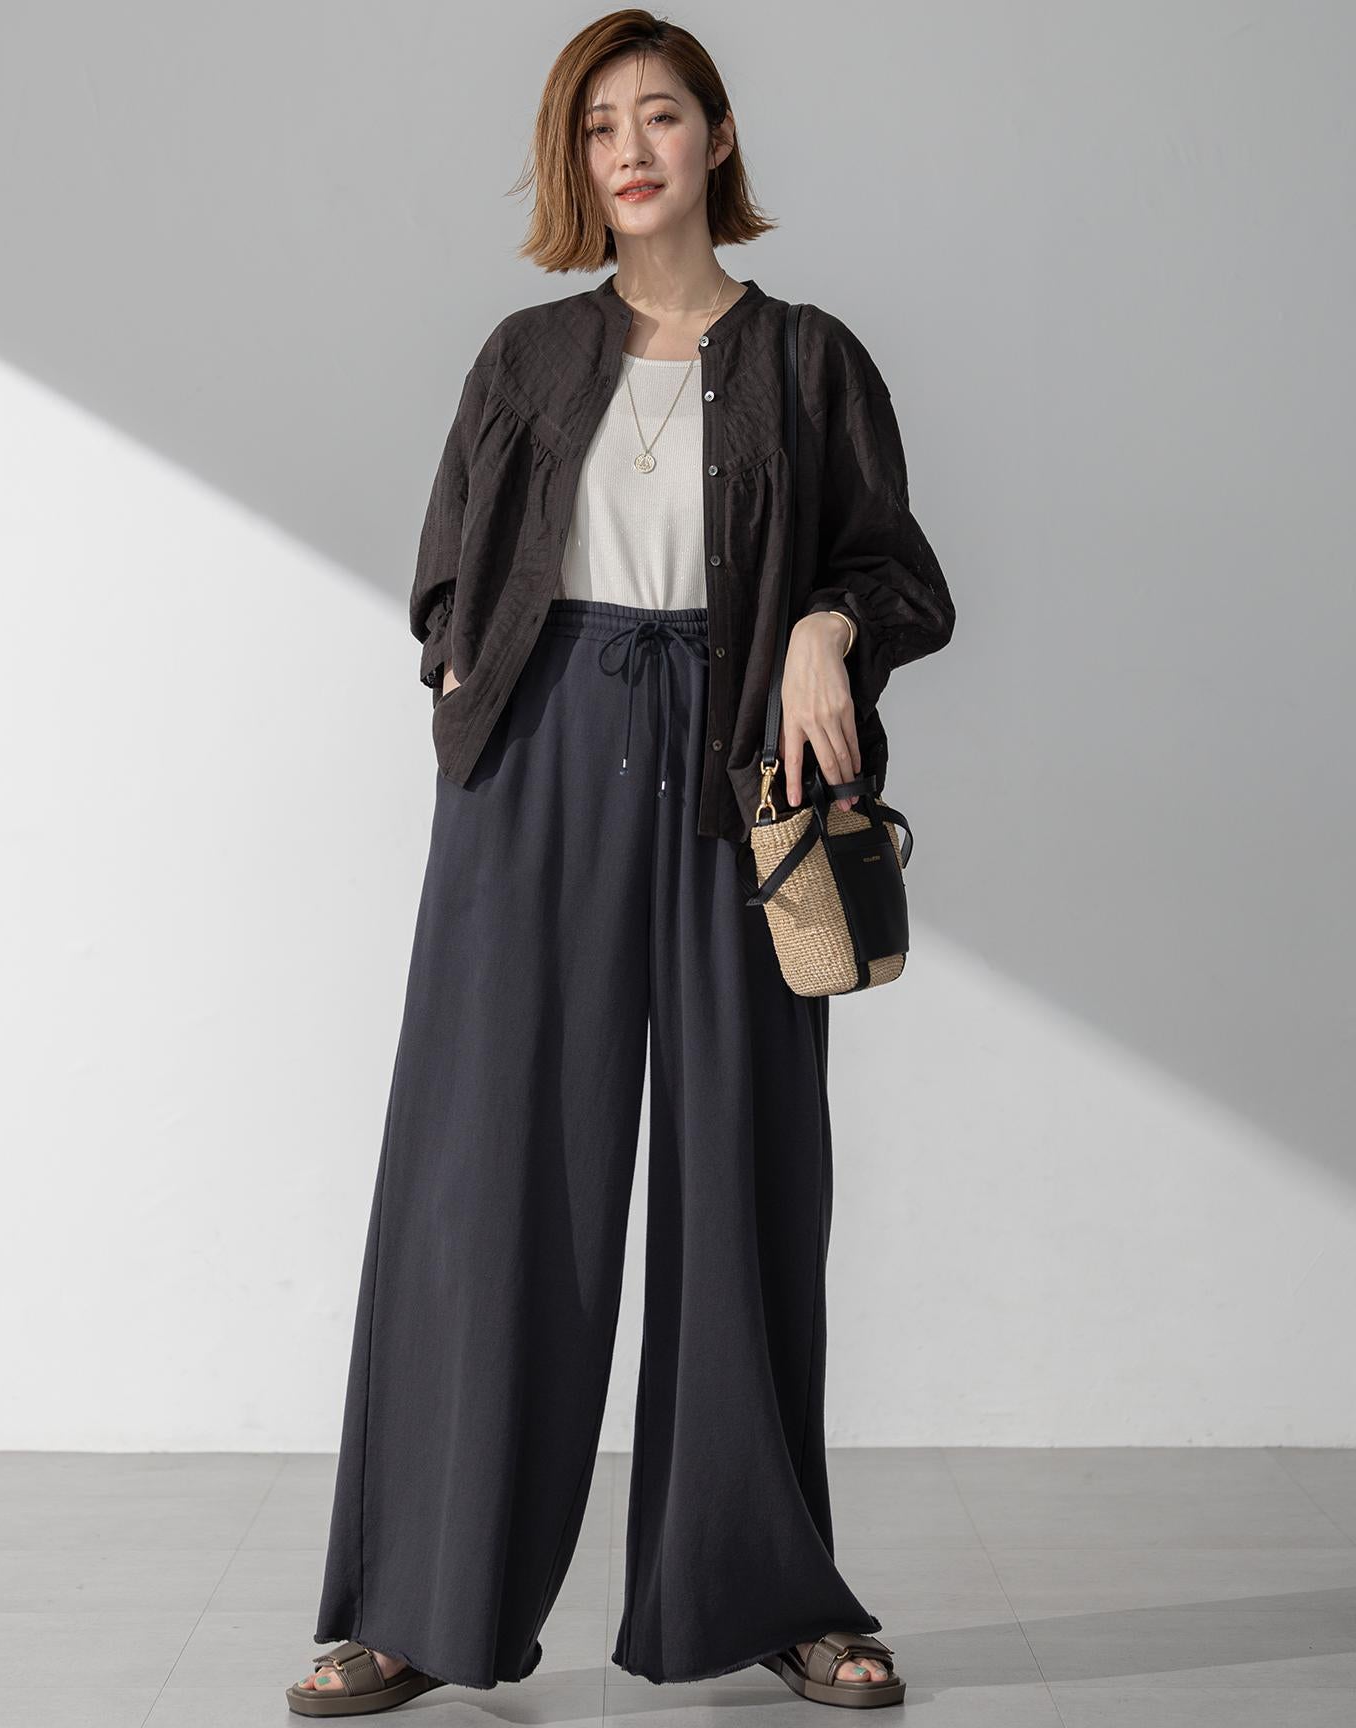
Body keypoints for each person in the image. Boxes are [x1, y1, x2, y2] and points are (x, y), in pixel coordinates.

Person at [286, 7, 954, 1716]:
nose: (630, 149)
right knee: (487, 1181)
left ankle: (776, 1595)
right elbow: (448, 571)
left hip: (741, 770)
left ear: (717, 138)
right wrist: (469, 674)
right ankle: (417, 1604)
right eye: (598, 127)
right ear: (573, 160)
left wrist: (821, 625)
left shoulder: (809, 360)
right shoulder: (526, 357)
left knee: (746, 1178)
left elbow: (897, 572)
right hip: (540, 765)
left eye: (660, 116)